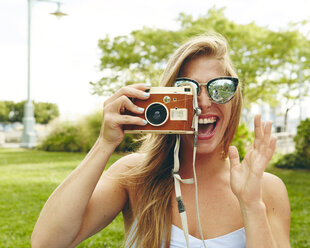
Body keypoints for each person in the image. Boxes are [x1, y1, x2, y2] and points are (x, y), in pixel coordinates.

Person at [31, 34, 291, 248]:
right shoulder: (135, 175)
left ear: (235, 101)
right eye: (187, 89)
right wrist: (104, 143)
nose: (203, 103)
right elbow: (47, 242)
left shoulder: (266, 189)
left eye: (219, 88)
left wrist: (251, 205)